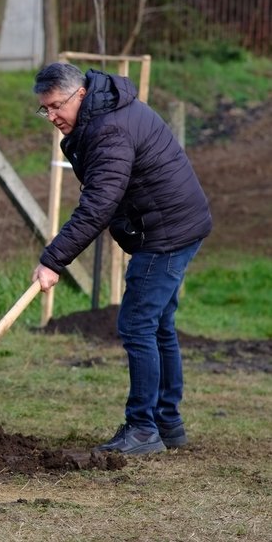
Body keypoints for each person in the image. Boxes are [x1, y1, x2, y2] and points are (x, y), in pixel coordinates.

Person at [31, 62, 212, 455]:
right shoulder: (104, 110)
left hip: (167, 232)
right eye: (44, 110)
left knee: (137, 325)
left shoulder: (108, 129)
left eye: (56, 107)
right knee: (158, 324)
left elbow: (97, 206)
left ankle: (143, 429)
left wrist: (53, 259)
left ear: (80, 94)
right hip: (178, 222)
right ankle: (167, 423)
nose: (52, 117)